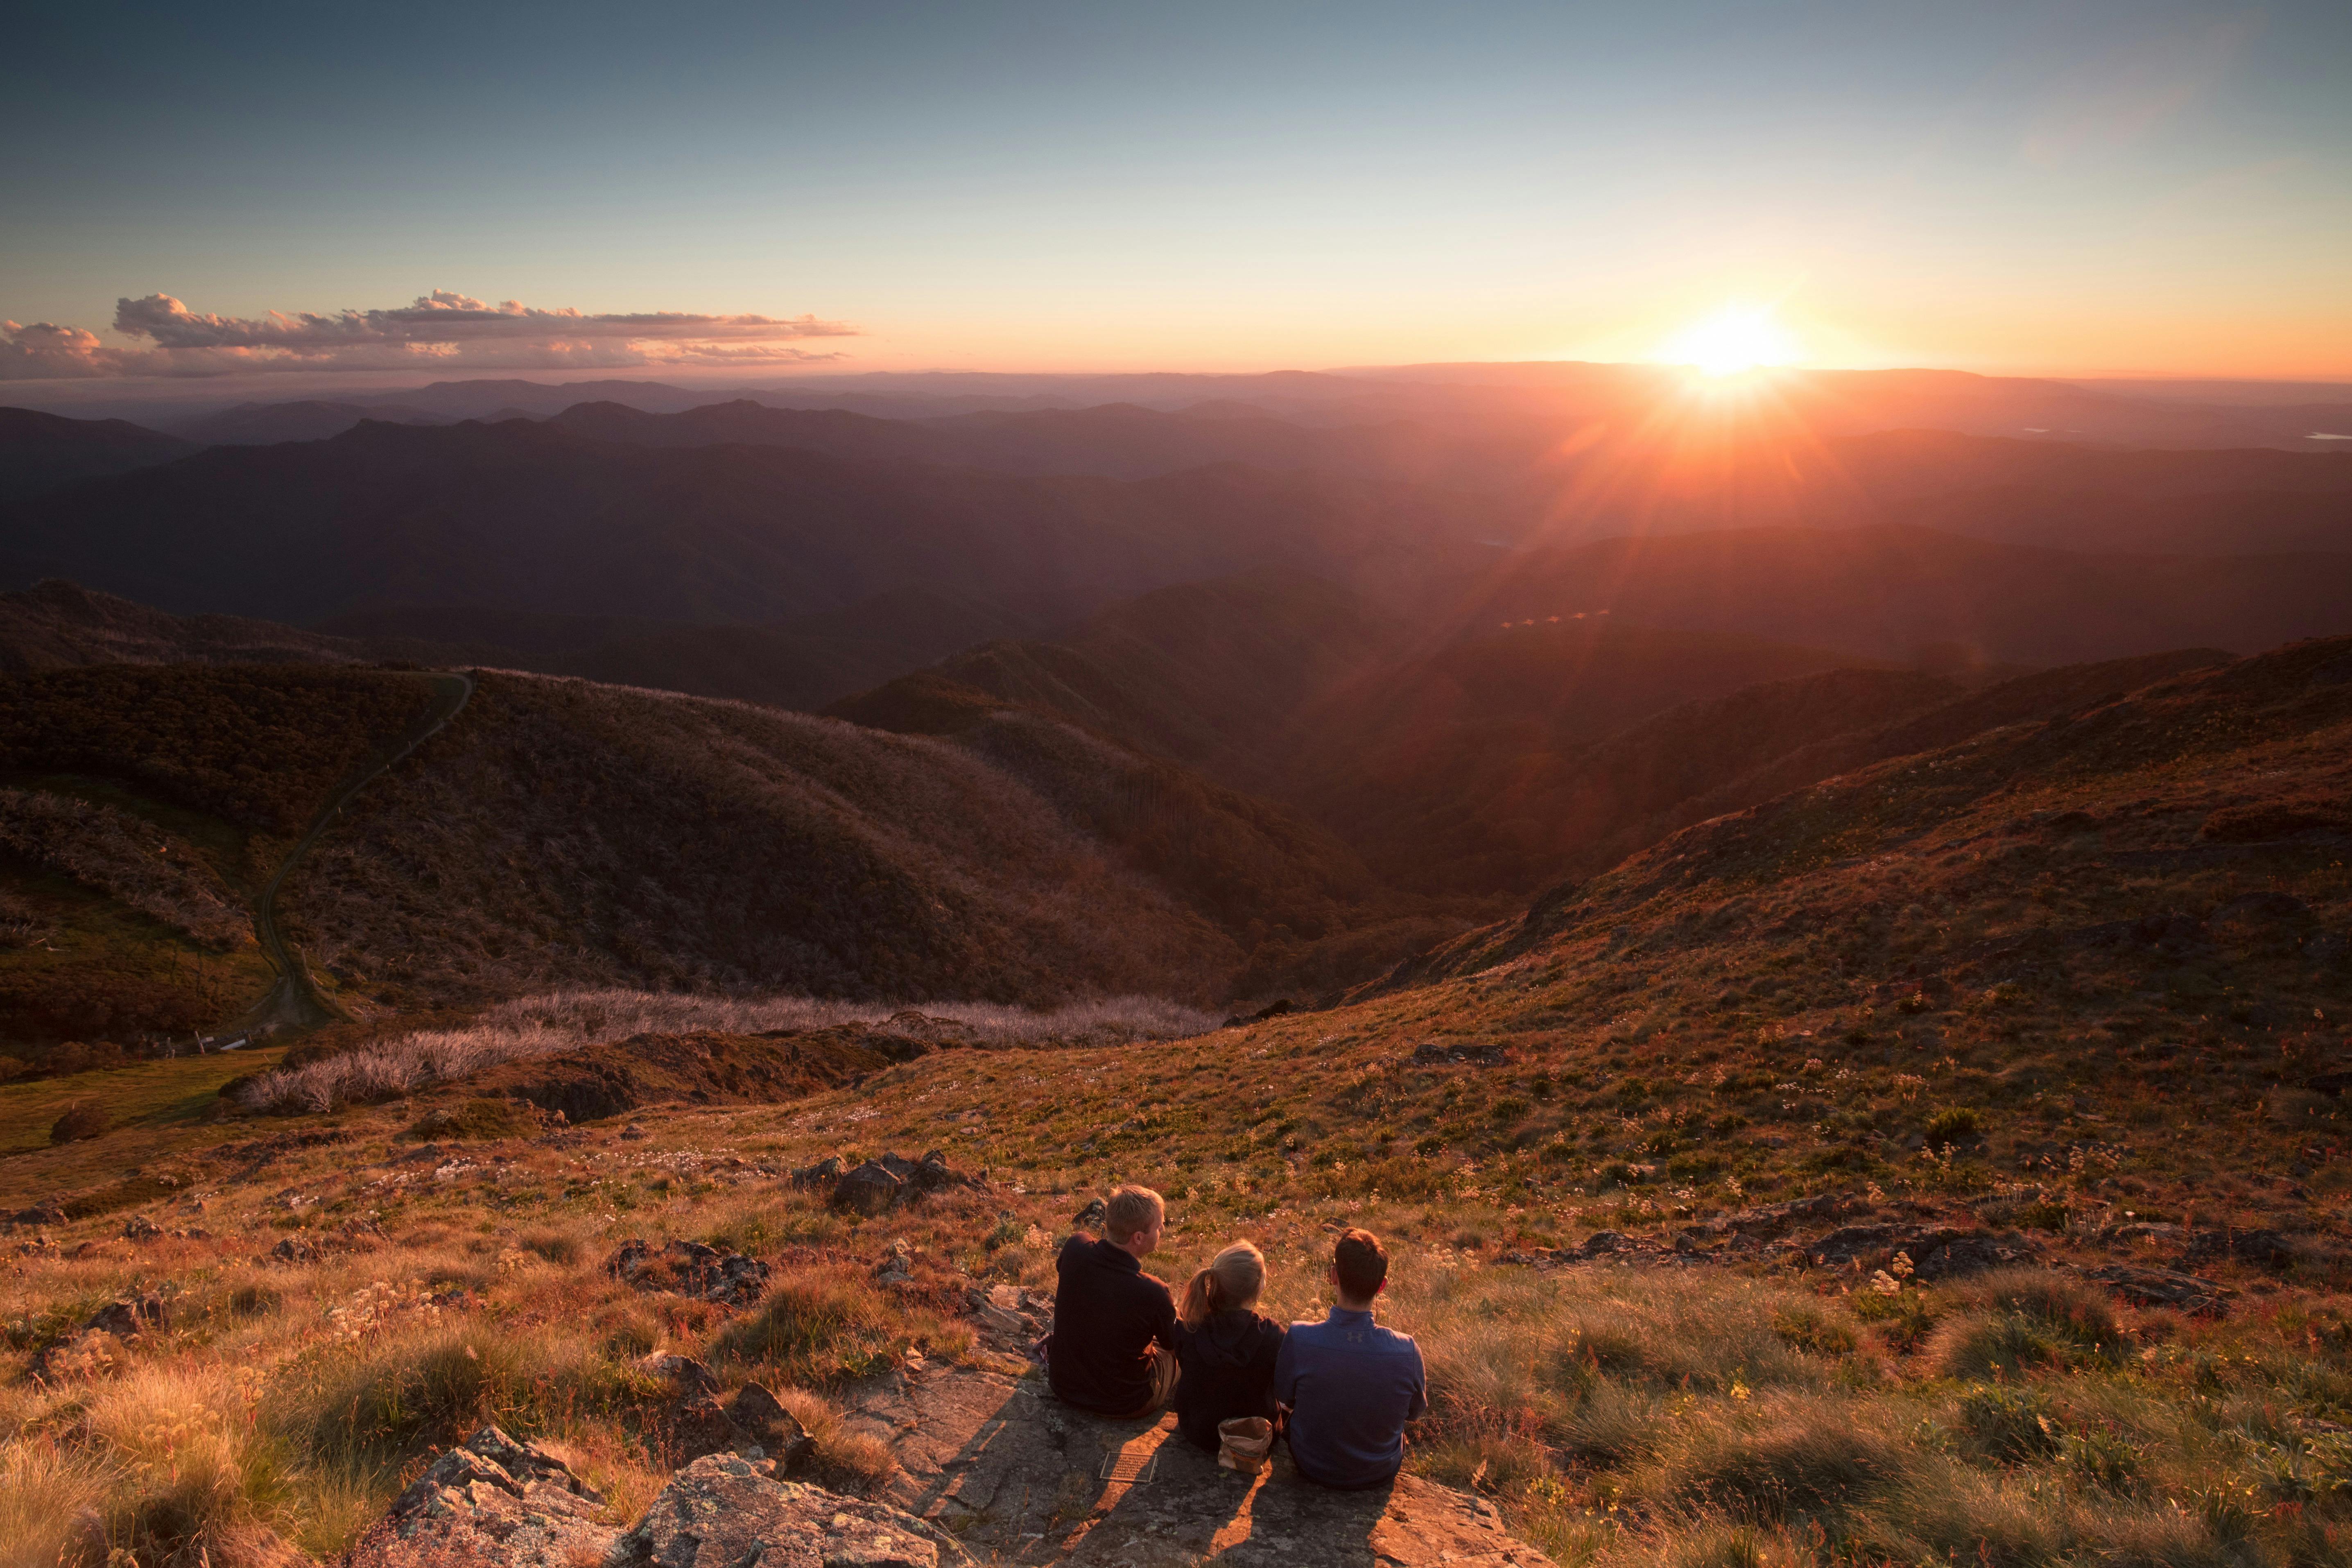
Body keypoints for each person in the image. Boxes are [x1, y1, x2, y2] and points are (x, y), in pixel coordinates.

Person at [1274, 1227, 1426, 1489]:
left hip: (1311, 1465)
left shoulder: (1299, 1337)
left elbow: (1284, 1397)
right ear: (1382, 1286)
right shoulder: (1408, 1351)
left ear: (1333, 1276)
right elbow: (1415, 1413)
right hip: (1379, 1472)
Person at [1048, 1184, 1178, 1417]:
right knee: (1179, 1348)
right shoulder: (1154, 1291)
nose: (1162, 1230)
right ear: (1138, 1238)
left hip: (1064, 1388)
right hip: (1126, 1403)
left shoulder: (1076, 1247)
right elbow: (1173, 1346)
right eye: (1159, 1226)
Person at [1169, 1240, 1285, 1453]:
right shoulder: (1273, 1334)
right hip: (1257, 1436)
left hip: (1199, 1431)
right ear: (1258, 1288)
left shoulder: (1188, 1327)